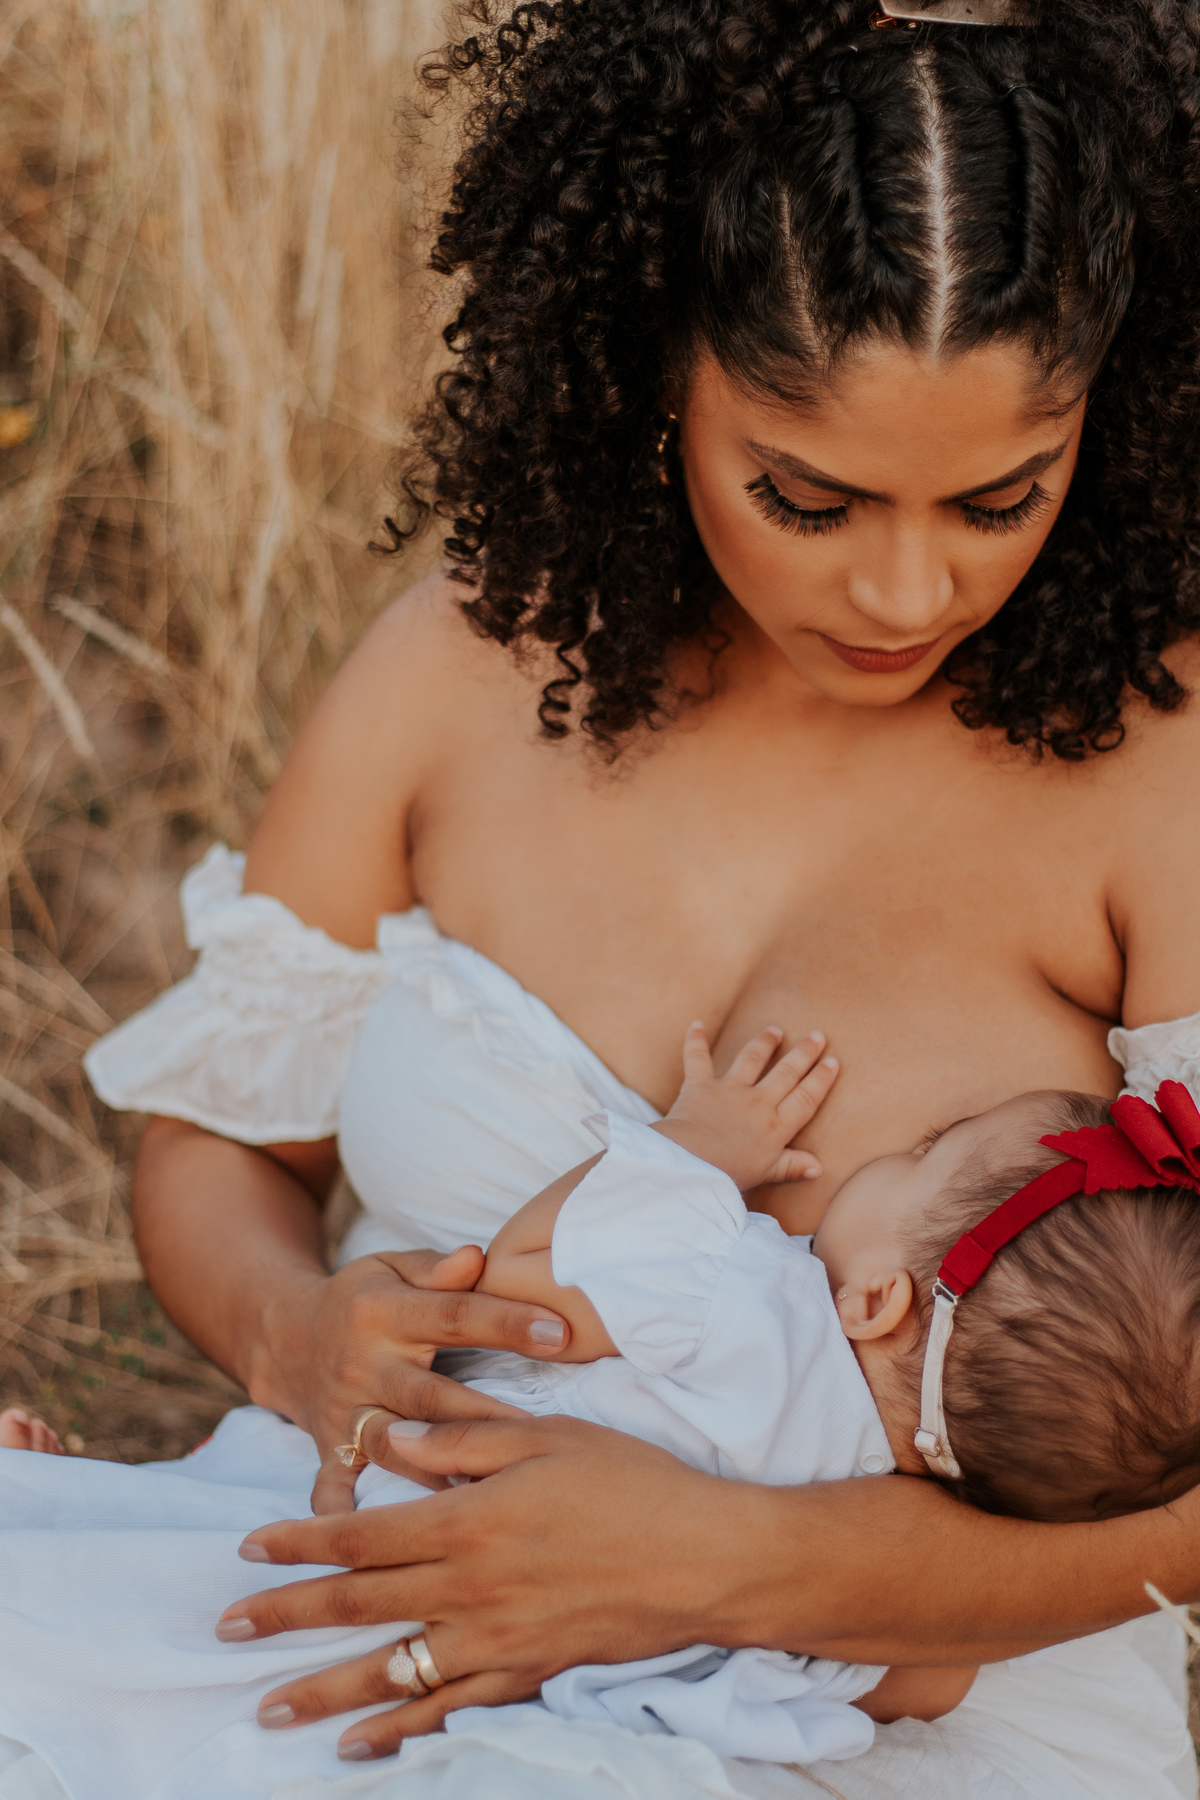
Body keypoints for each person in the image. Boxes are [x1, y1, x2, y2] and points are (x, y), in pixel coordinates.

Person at [5, 0, 1200, 1795]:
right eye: (808, 495)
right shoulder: (465, 668)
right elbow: (223, 1150)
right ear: (660, 367)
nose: (907, 590)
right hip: (369, 1603)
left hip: (896, 1707)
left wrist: (722, 1567)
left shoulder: (1164, 766)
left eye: (999, 496)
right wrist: (294, 1334)